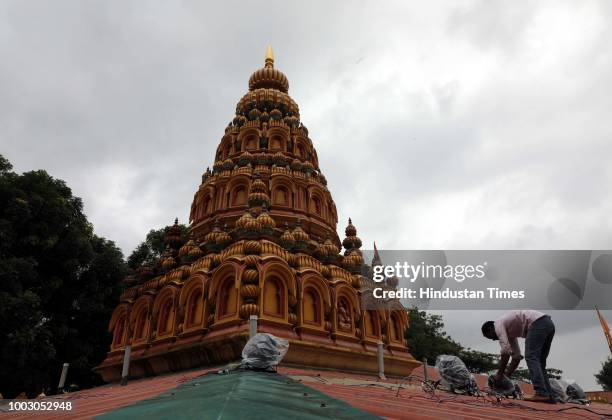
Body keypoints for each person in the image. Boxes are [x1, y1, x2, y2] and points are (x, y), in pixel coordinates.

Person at [481, 310, 556, 403]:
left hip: (537, 323)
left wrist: (499, 374)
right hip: (548, 324)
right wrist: (506, 377)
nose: (493, 339)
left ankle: (541, 393)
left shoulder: (498, 325)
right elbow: (516, 357)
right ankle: (549, 396)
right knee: (540, 362)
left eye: (490, 336)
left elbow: (505, 352)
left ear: (490, 329)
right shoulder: (510, 333)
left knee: (531, 356)